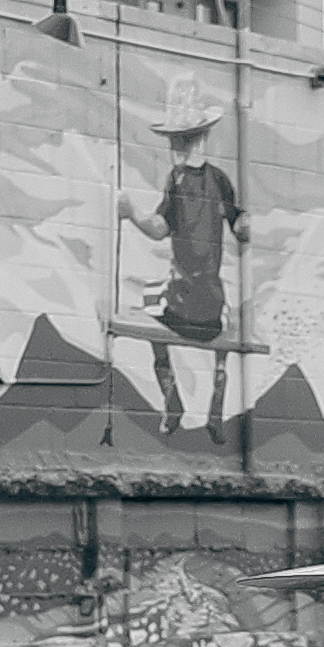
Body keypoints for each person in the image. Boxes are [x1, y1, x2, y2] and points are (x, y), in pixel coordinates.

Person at [123, 84, 245, 433]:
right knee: (227, 314)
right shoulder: (221, 181)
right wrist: (246, 223)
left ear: (178, 140)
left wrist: (131, 212)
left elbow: (160, 228)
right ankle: (217, 409)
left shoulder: (175, 179)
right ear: (205, 134)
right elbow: (241, 226)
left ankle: (172, 400)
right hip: (212, 312)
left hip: (180, 306)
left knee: (147, 304)